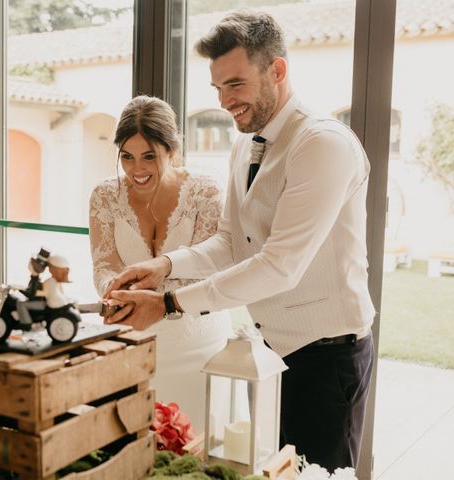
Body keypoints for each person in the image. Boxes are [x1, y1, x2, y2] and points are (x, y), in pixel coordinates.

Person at [103, 12, 375, 471]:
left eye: (236, 84)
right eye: (217, 89)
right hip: (270, 354)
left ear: (278, 71)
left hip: (328, 359)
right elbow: (230, 243)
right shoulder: (244, 146)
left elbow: (278, 266)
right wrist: (164, 266)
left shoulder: (321, 144)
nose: (226, 101)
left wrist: (167, 304)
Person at [89, 95, 232, 432]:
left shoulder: (205, 192)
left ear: (172, 150)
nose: (137, 169)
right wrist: (114, 290)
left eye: (149, 156)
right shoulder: (104, 196)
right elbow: (103, 263)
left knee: (198, 447)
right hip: (131, 339)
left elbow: (210, 267)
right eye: (127, 156)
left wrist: (155, 297)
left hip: (197, 344)